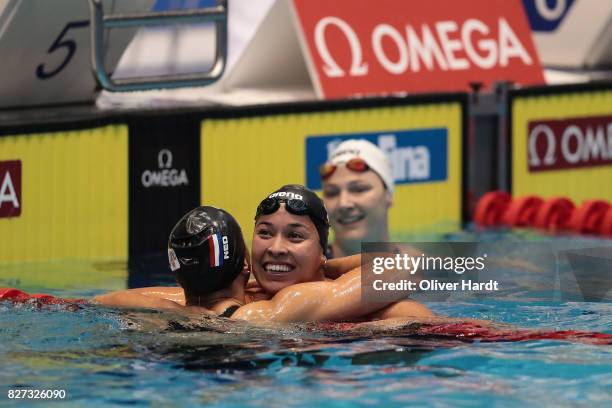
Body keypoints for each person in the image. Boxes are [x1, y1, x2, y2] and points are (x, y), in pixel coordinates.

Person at [96, 201, 433, 322]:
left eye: (295, 237)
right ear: (245, 261)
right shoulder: (280, 306)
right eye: (265, 233)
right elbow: (409, 265)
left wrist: (321, 266)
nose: (276, 248)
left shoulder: (173, 305)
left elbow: (98, 303)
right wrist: (323, 266)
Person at [320, 139, 394, 258]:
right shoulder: (309, 273)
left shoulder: (421, 268)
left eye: (359, 189)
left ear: (388, 195)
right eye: (332, 193)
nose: (343, 203)